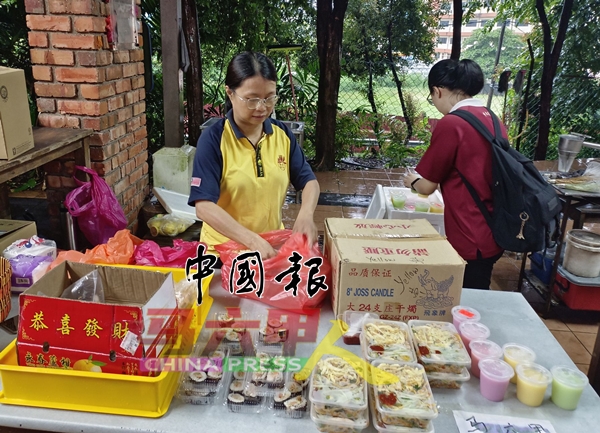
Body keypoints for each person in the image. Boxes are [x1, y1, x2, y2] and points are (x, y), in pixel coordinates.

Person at [188, 51, 320, 260]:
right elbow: (203, 207)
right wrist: (251, 241)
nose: (262, 107)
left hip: (270, 249)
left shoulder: (282, 135)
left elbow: (309, 181)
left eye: (269, 98)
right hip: (223, 255)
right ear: (230, 93)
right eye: (252, 99)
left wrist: (306, 214)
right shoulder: (214, 140)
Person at [403, 59, 505, 289]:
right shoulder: (493, 119)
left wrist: (413, 181)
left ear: (438, 91)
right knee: (478, 294)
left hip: (469, 234)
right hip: (493, 228)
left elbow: (427, 187)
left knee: (466, 301)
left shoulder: (452, 124)